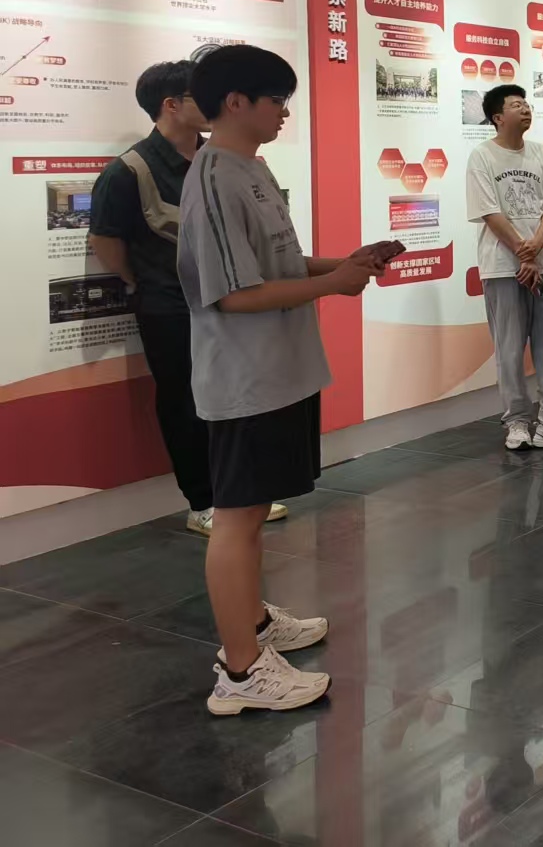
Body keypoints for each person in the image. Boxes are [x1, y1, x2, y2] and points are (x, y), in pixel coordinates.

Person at [177, 44, 396, 714]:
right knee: (237, 517)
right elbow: (232, 294)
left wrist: (343, 262)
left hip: (278, 370)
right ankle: (240, 672)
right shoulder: (214, 177)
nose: (284, 112)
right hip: (245, 377)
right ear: (235, 102)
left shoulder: (252, 167)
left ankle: (255, 625)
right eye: (277, 100)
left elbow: (275, 263)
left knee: (252, 512)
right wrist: (334, 283)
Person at [89, 60, 287, 535]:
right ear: (171, 105)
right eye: (199, 95)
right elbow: (106, 243)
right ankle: (204, 502)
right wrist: (145, 279)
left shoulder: (224, 158)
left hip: (233, 299)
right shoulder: (128, 172)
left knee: (235, 398)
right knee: (184, 402)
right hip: (171, 309)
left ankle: (238, 495)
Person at [466, 84, 543, 452]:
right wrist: (523, 254)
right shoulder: (482, 156)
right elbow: (489, 211)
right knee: (510, 349)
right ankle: (517, 421)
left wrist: (535, 250)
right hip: (502, 266)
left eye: (527, 104)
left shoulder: (539, 152)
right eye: (516, 105)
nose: (526, 109)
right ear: (498, 117)